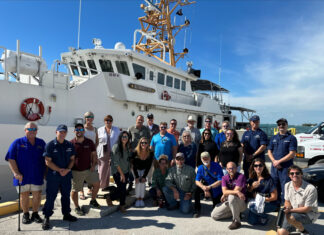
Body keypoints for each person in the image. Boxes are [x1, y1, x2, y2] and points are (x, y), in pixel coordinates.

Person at [5, 122, 46, 224]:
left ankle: (35, 214)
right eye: (29, 129)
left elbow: (46, 159)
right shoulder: (17, 142)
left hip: (37, 175)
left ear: (37, 131)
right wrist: (16, 172)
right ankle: (26, 214)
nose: (32, 131)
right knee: (24, 195)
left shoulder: (41, 143)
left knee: (37, 194)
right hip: (22, 176)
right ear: (25, 130)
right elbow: (10, 158)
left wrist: (46, 173)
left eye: (34, 129)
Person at [42, 125, 77, 230]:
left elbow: (72, 159)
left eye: (64, 132)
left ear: (66, 133)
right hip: (54, 176)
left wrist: (67, 170)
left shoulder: (70, 145)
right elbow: (47, 161)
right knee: (50, 197)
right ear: (56, 132)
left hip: (66, 175)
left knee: (66, 196)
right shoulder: (50, 145)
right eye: (60, 132)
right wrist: (59, 170)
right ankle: (47, 217)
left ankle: (66, 214)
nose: (62, 134)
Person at [277, 165, 320, 235]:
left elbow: (307, 209)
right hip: (293, 212)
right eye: (292, 173)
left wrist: (289, 211)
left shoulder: (310, 189)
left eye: (297, 173)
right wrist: (287, 208)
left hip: (308, 214)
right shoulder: (287, 185)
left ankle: (302, 230)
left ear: (301, 174)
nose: (294, 175)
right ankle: (299, 228)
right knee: (280, 232)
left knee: (291, 218)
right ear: (289, 175)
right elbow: (287, 201)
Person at [70, 124, 101, 216]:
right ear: (74, 131)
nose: (79, 131)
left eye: (81, 129)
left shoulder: (90, 142)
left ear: (84, 131)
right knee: (75, 190)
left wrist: (93, 165)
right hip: (76, 171)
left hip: (89, 169)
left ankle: (93, 200)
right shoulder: (71, 143)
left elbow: (94, 155)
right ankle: (76, 207)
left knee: (97, 184)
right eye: (77, 129)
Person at [268, 118, 297, 203]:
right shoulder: (274, 137)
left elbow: (292, 153)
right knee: (274, 187)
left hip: (285, 168)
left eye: (283, 124)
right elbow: (269, 151)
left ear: (287, 125)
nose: (281, 126)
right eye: (279, 124)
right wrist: (274, 161)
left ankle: (286, 207)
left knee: (286, 188)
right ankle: (276, 206)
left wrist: (279, 161)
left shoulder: (291, 138)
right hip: (274, 168)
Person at [211, 162, 247, 230]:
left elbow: (234, 192)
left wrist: (227, 194)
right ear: (227, 169)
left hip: (241, 203)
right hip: (230, 201)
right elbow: (225, 191)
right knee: (214, 215)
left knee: (231, 197)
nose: (231, 170)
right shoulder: (224, 178)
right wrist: (233, 192)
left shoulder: (241, 176)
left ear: (236, 168)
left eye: (233, 168)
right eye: (229, 168)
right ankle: (236, 212)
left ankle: (236, 221)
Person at [246, 158, 279, 225]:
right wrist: (252, 187)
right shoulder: (252, 177)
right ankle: (259, 216)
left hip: (270, 203)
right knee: (251, 221)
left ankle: (265, 217)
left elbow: (275, 197)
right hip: (256, 201)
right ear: (253, 167)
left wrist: (261, 199)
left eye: (260, 165)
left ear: (263, 166)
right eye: (256, 166)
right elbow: (248, 190)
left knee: (252, 208)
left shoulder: (269, 179)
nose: (258, 167)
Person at [106, 131, 132, 213]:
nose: (125, 138)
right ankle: (121, 205)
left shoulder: (127, 147)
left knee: (122, 189)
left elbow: (128, 160)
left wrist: (129, 170)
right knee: (123, 189)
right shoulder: (116, 147)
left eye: (126, 137)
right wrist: (122, 175)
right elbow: (116, 163)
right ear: (120, 138)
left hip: (126, 171)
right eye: (123, 136)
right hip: (118, 172)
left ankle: (110, 197)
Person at [194, 152, 223, 218]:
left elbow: (220, 180)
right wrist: (203, 187)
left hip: (215, 187)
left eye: (207, 158)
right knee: (196, 190)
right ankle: (197, 209)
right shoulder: (201, 168)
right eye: (204, 159)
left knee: (216, 212)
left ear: (210, 158)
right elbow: (197, 181)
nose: (205, 160)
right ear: (201, 159)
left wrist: (209, 187)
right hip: (206, 186)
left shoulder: (217, 166)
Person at [97, 115, 120, 190]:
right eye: (107, 120)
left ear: (112, 121)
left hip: (113, 151)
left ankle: (107, 186)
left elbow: (119, 140)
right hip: (103, 152)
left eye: (110, 120)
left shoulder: (116, 129)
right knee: (102, 170)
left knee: (111, 170)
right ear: (104, 121)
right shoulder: (100, 130)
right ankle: (101, 186)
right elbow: (97, 141)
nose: (108, 122)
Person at [82, 111, 99, 199]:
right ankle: (81, 192)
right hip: (83, 153)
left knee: (92, 171)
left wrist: (94, 150)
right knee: (82, 172)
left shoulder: (95, 129)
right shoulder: (82, 128)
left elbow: (97, 141)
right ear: (85, 118)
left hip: (92, 153)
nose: (89, 119)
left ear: (93, 118)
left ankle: (90, 188)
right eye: (87, 117)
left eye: (91, 117)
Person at [132, 137, 154, 207]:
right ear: (139, 143)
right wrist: (136, 177)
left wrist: (144, 176)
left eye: (145, 143)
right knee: (138, 183)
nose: (143, 144)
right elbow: (133, 165)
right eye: (142, 142)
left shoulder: (150, 152)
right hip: (136, 169)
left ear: (148, 144)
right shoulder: (135, 152)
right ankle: (137, 198)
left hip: (145, 169)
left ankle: (141, 199)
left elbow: (149, 166)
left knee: (143, 183)